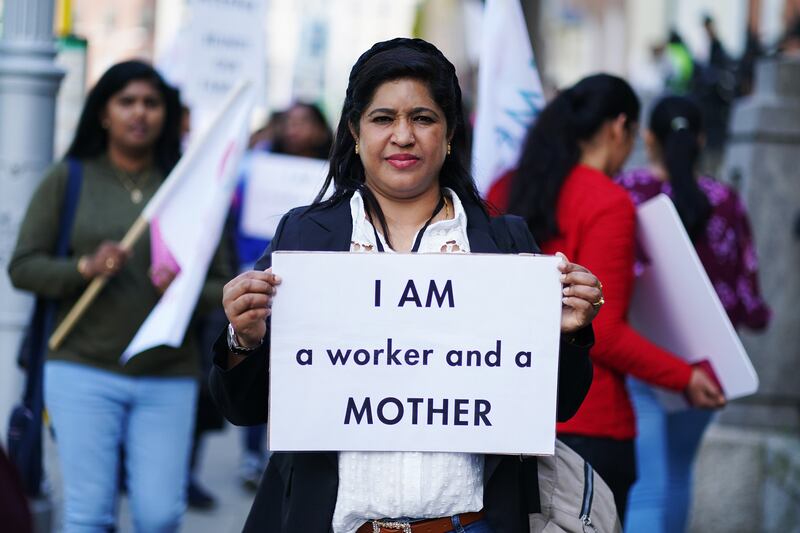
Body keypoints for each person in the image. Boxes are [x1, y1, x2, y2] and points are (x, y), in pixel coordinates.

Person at [210, 38, 603, 533]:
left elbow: (554, 405)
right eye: (382, 119)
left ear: (450, 133)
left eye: (422, 118)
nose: (402, 136)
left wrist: (566, 334)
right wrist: (242, 338)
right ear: (354, 131)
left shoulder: (505, 243)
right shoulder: (304, 238)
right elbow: (241, 407)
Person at [487, 74, 726, 521]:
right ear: (619, 128)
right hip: (591, 424)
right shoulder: (608, 202)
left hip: (507, 413)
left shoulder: (503, 186)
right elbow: (607, 332)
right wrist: (685, 377)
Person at [8, 60, 231, 532]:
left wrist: (184, 288)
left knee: (159, 514)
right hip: (81, 367)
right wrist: (83, 268)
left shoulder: (189, 189)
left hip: (167, 373)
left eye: (151, 103)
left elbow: (224, 287)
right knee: (89, 514)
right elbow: (22, 267)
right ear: (104, 112)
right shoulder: (68, 179)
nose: (140, 113)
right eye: (126, 101)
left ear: (166, 115)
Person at [616, 95, 771, 533]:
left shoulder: (629, 193)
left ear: (648, 139)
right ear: (701, 139)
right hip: (709, 362)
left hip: (642, 356)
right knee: (680, 473)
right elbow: (746, 290)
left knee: (646, 484)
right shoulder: (726, 200)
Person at [232, 102, 334, 490]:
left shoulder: (338, 177)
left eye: (305, 121)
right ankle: (253, 451)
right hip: (261, 272)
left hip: (313, 287)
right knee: (260, 359)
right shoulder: (257, 166)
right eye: (290, 122)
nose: (296, 129)